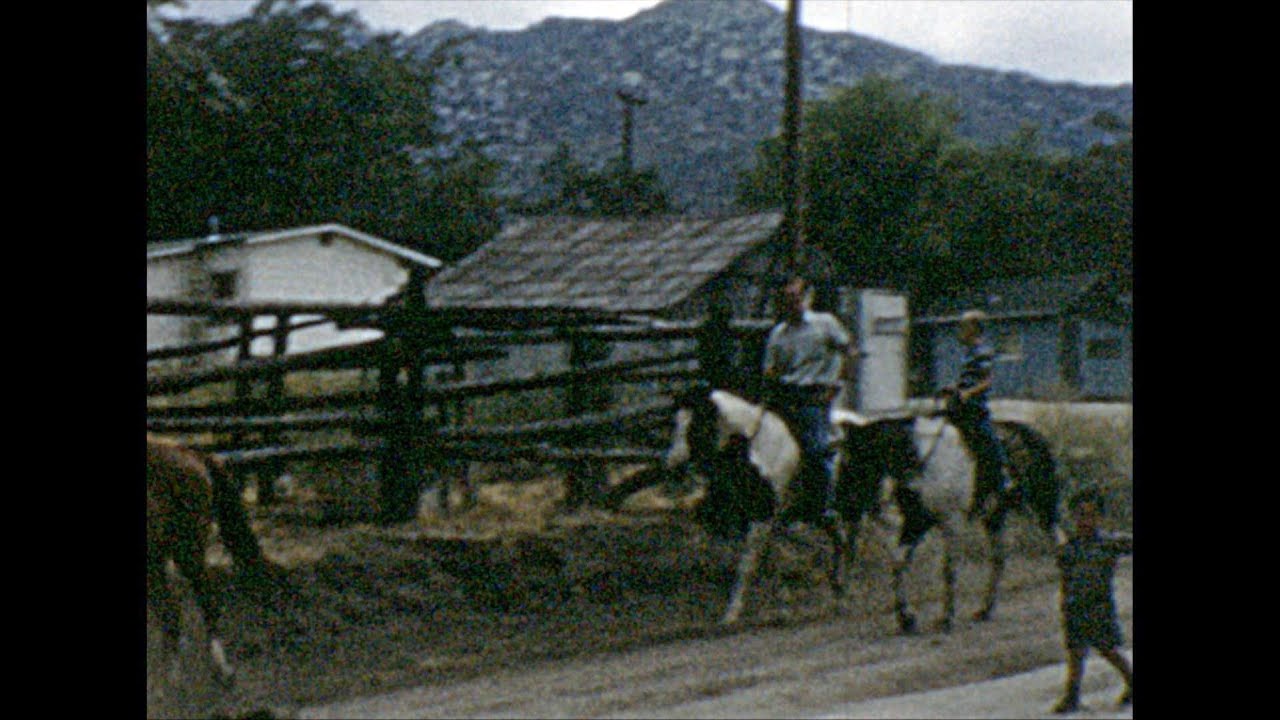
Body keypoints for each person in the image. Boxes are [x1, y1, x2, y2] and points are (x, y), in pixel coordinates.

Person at [761, 276, 857, 525]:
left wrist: (836, 385)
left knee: (815, 448)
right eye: (785, 300)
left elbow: (849, 351)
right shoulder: (778, 334)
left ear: (804, 298)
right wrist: (771, 378)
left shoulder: (824, 324)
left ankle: (822, 505)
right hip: (786, 395)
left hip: (815, 396)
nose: (790, 304)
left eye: (794, 298)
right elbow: (771, 369)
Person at [1052, 486, 1134, 714]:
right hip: (1075, 607)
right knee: (1076, 654)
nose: (1085, 521)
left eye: (1090, 515)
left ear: (1099, 517)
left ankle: (1130, 680)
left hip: (1100, 607)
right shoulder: (1069, 548)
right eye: (1080, 515)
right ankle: (1072, 695)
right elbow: (1065, 575)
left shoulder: (1108, 543)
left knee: (1108, 649)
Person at [941, 309, 1011, 519]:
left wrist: (968, 393)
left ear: (974, 328)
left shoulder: (982, 351)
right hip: (959, 405)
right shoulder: (968, 353)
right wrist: (953, 388)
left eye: (964, 326)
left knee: (985, 436)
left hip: (975, 407)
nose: (960, 331)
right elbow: (966, 379)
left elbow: (986, 381)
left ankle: (1004, 475)